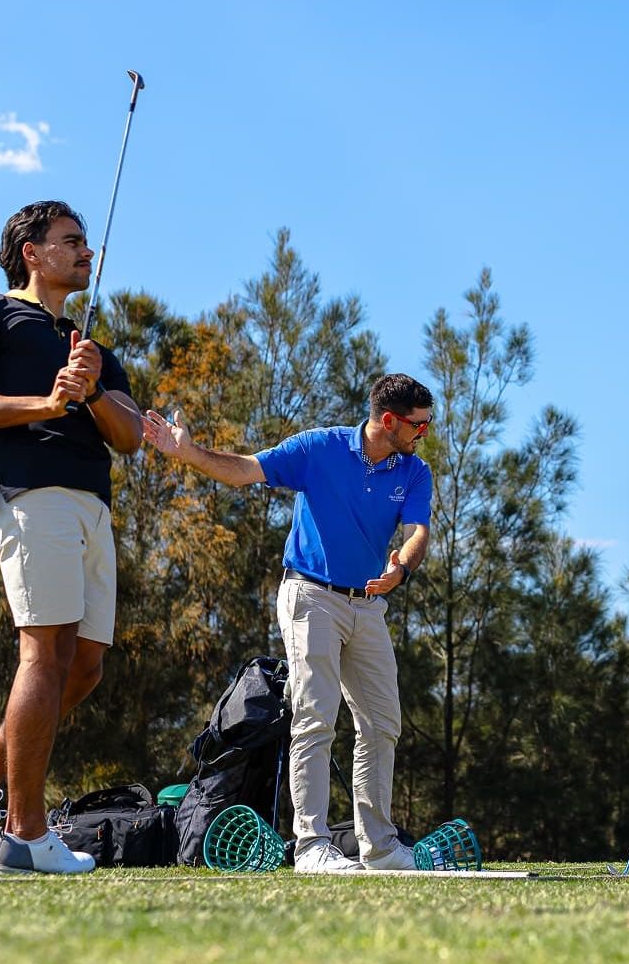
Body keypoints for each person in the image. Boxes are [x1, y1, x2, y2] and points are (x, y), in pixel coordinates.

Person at [142, 374, 434, 874]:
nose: (424, 433)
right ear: (389, 420)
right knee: (316, 717)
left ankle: (380, 847)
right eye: (419, 425)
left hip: (368, 604)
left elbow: (418, 532)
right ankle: (311, 846)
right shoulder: (319, 448)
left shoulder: (413, 470)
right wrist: (189, 452)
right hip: (310, 595)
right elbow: (245, 470)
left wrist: (401, 568)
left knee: (383, 723)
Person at [0, 200, 143, 876]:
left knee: (84, 666)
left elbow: (131, 436)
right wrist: (47, 404)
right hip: (29, 491)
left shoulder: (88, 346)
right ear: (32, 252)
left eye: (86, 243)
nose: (87, 252)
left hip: (91, 503)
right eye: (71, 241)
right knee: (44, 652)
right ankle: (23, 835)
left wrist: (91, 391)